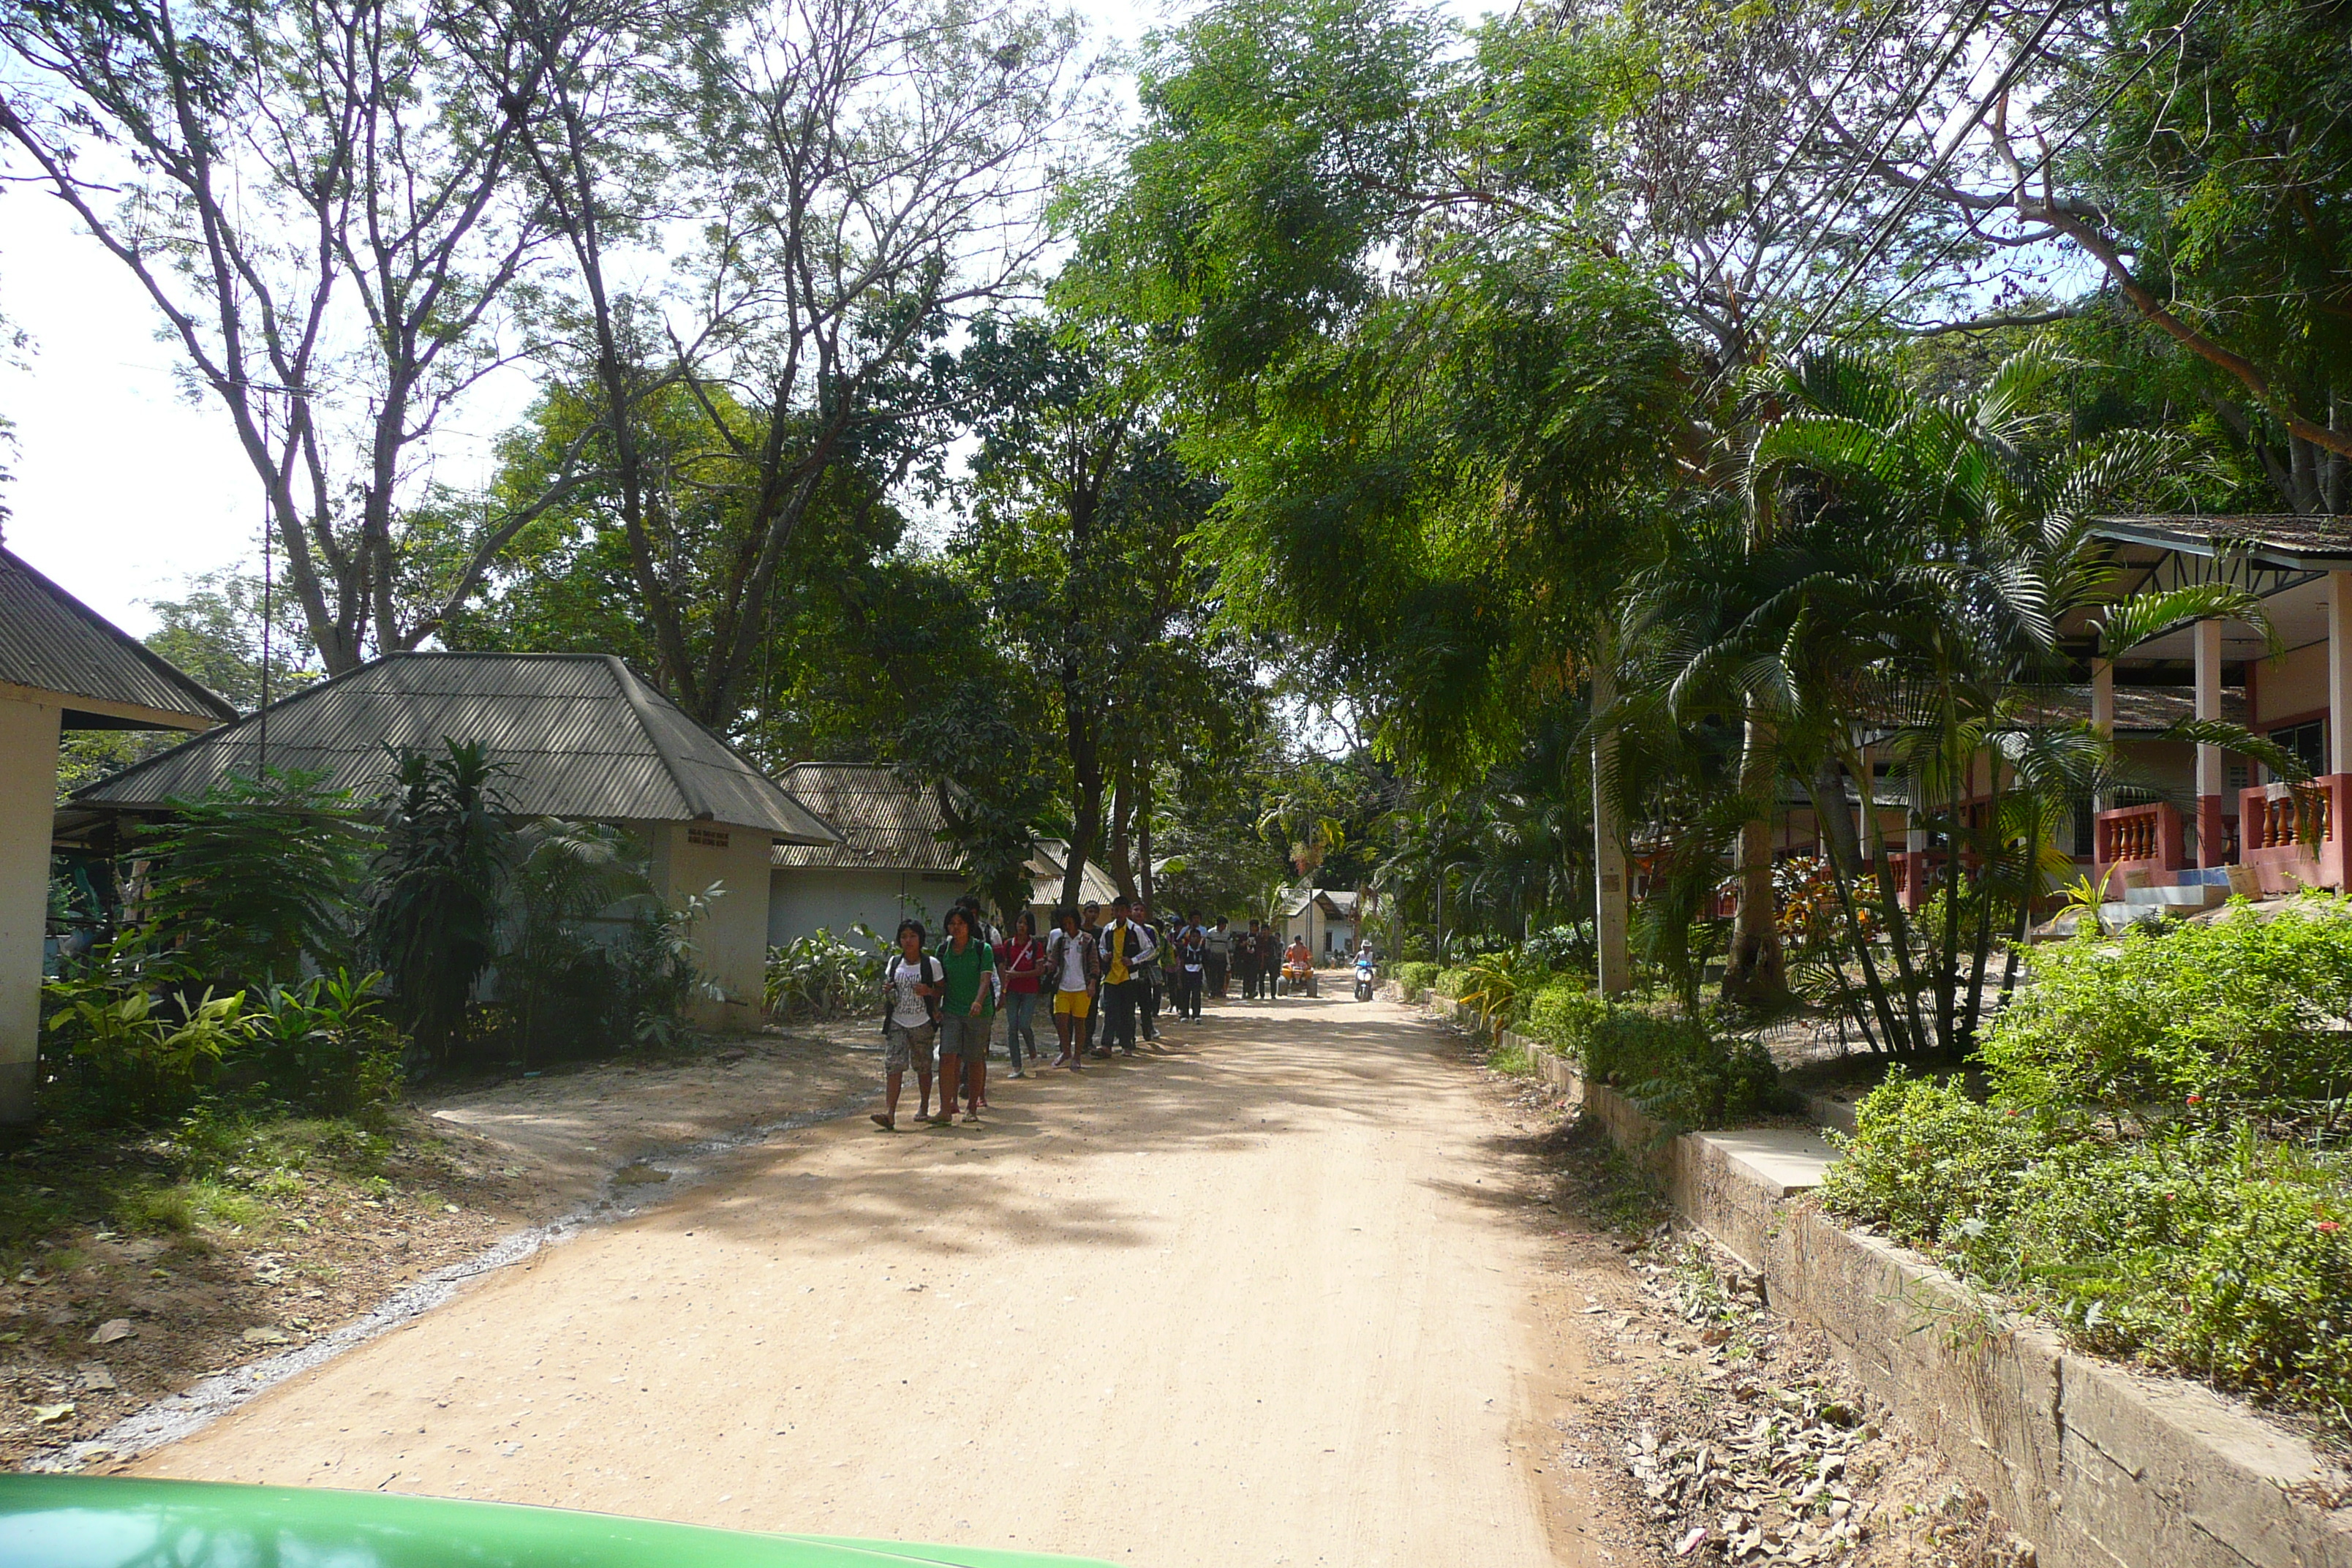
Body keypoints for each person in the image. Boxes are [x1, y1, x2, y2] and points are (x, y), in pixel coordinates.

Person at [870, 919, 941, 1131]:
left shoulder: (931, 964)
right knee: (894, 1065)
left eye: (912, 936)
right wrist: (887, 988)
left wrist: (929, 992)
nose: (908, 941)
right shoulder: (894, 962)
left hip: (922, 1022)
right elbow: (889, 986)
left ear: (920, 939)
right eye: (904, 936)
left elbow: (942, 989)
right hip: (897, 1021)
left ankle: (924, 1106)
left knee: (923, 1066)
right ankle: (890, 1113)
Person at [933, 907, 996, 1124]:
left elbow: (985, 979)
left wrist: (978, 1001)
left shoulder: (982, 949)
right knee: (947, 1057)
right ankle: (946, 1108)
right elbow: (939, 982)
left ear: (970, 926)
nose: (956, 927)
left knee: (974, 1059)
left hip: (979, 1013)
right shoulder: (942, 951)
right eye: (952, 923)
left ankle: (972, 1107)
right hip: (951, 1010)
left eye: (961, 923)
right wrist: (935, 1006)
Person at [1095, 896, 1155, 1057]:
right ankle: (1106, 1045)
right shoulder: (1107, 929)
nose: (1119, 913)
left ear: (1128, 912)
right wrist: (1104, 955)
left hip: (1129, 977)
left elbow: (1150, 950)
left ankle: (1127, 1044)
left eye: (1123, 910)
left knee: (1128, 1012)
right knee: (1110, 1012)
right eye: (1116, 910)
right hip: (1110, 977)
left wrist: (1134, 960)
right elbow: (1100, 947)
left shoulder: (1135, 930)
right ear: (1112, 911)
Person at [1044, 906, 1099, 1069]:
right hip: (1063, 987)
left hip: (1081, 987)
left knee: (1079, 1023)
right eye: (1065, 923)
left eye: (1070, 922)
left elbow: (1094, 964)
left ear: (1076, 922)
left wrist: (1092, 983)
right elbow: (1053, 961)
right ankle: (1066, 1051)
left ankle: (1077, 1056)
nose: (1067, 926)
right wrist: (1045, 967)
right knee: (1060, 1020)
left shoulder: (1088, 940)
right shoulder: (1061, 941)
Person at [997, 911, 1045, 1078]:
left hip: (1030, 991)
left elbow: (1039, 970)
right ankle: (1016, 1066)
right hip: (1011, 991)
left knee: (1024, 1024)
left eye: (1025, 923)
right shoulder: (1008, 945)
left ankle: (1032, 1052)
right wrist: (1003, 988)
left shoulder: (1035, 946)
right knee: (1012, 1028)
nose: (1021, 926)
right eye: (1019, 922)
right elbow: (1003, 967)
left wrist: (1017, 975)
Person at [1175, 911, 1207, 1019]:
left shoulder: (1203, 933)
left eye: (1198, 918)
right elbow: (1181, 964)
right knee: (1185, 994)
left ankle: (1196, 1014)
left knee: (1197, 994)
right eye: (1194, 918)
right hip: (1186, 974)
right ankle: (1184, 1014)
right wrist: (1179, 978)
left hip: (1197, 974)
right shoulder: (1185, 948)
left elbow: (1205, 963)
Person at [1204, 916, 1232, 999]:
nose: (1225, 927)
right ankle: (1212, 991)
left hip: (1222, 956)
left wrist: (1230, 957)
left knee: (1221, 975)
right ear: (1220, 924)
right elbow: (1207, 946)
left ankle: (1220, 991)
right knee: (1212, 975)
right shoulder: (1211, 933)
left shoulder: (1227, 934)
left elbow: (1229, 946)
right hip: (1213, 956)